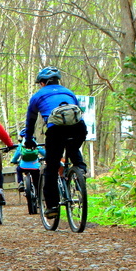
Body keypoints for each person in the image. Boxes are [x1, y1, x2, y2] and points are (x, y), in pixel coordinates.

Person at [23, 67, 88, 218]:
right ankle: (80, 171)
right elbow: (78, 112)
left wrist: (28, 139)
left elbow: (30, 121)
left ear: (42, 83)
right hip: (79, 128)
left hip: (56, 131)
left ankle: (52, 206)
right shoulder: (69, 92)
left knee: (51, 168)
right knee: (72, 148)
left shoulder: (37, 96)